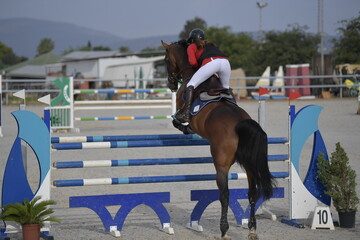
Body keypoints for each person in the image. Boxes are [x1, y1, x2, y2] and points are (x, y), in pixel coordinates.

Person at [176, 28, 231, 123]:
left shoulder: (192, 46)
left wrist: (198, 67)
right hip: (226, 63)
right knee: (226, 88)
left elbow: (192, 62)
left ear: (192, 40)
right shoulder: (210, 44)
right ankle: (234, 106)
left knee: (190, 85)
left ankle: (186, 113)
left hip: (212, 63)